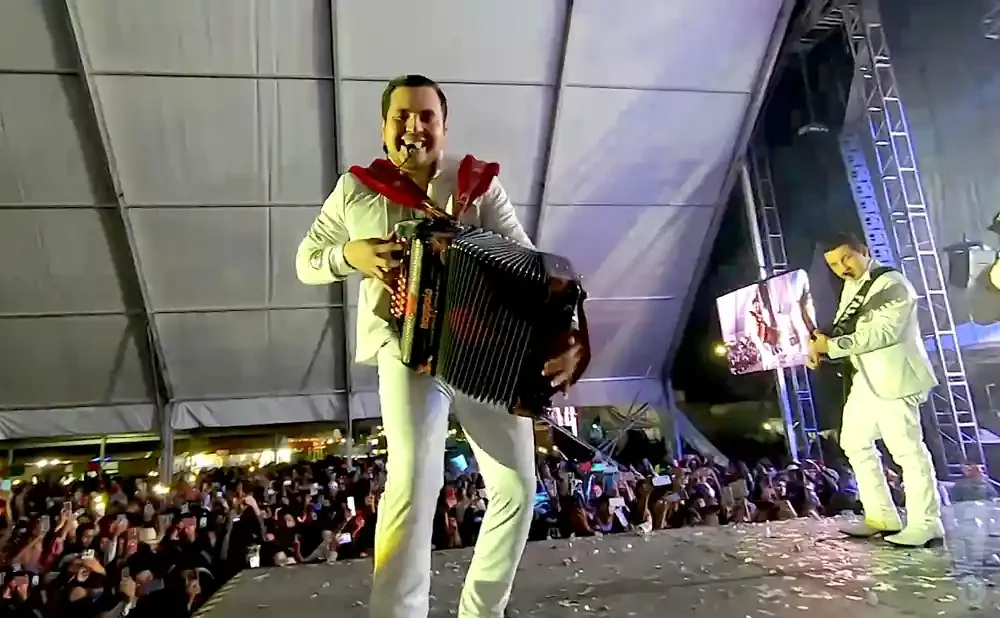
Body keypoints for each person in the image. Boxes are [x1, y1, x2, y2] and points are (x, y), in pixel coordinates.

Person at [295, 74, 588, 618]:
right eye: (401, 116)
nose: (414, 126)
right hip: (403, 349)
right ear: (383, 128)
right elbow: (306, 260)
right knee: (412, 477)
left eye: (426, 116)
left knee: (519, 488)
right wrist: (350, 255)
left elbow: (530, 265)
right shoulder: (356, 189)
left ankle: (482, 609)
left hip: (485, 350)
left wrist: (564, 328)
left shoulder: (477, 184)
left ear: (443, 127)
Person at [807, 232, 942, 547]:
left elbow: (883, 333)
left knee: (907, 451)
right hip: (867, 380)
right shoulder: (853, 287)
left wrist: (835, 345)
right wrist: (822, 348)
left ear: (863, 251)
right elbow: (848, 331)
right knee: (854, 442)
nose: (842, 268)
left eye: (847, 258)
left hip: (896, 378)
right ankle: (881, 515)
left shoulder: (892, 284)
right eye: (834, 264)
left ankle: (926, 522)